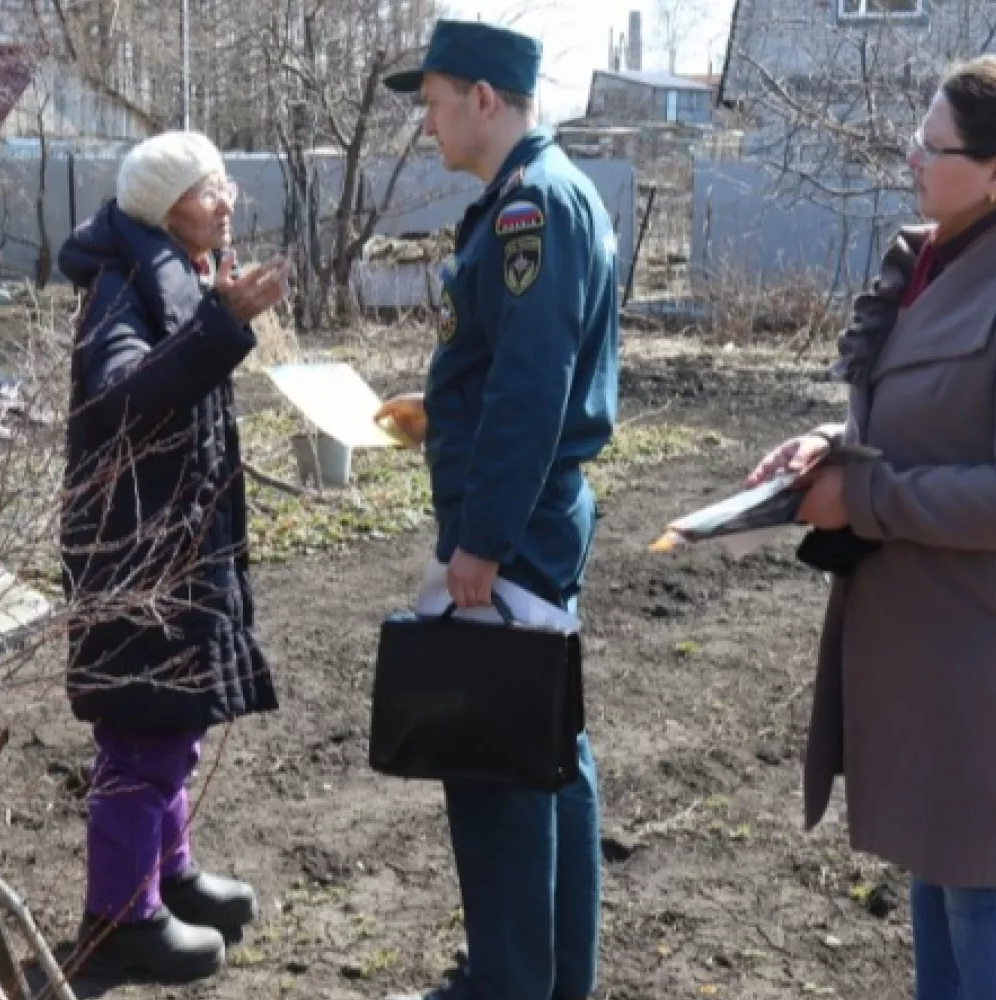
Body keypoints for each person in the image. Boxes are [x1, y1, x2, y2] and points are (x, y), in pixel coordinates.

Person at [746, 56, 996, 998]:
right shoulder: (947, 258)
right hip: (935, 631)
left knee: (987, 881)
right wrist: (833, 445)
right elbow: (939, 416)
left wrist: (864, 499)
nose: (913, 156)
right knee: (940, 864)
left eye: (933, 144)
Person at [371, 19, 620, 1000]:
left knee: (497, 751)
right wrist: (442, 412)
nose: (425, 121)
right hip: (529, 513)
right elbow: (515, 366)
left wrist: (481, 541)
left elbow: (534, 383)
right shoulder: (540, 196)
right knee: (546, 738)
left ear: (485, 99)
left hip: (513, 524)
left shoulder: (530, 208)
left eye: (433, 101)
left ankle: (510, 982)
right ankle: (547, 977)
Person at [57, 131, 290, 983]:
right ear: (164, 207)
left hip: (169, 549)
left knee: (172, 723)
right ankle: (120, 918)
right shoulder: (121, 289)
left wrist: (219, 315)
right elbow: (122, 400)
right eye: (207, 190)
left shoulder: (180, 273)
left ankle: (169, 876)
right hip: (135, 555)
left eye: (227, 184)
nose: (226, 202)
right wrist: (222, 327)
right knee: (143, 734)